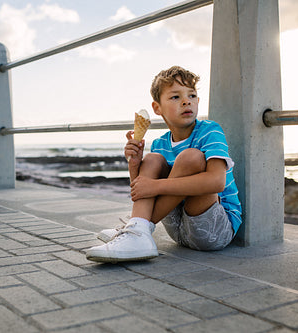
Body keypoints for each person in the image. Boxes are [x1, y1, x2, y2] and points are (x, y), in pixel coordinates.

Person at [86, 66, 242, 263]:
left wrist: (156, 185)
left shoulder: (210, 131)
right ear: (157, 108)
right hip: (176, 229)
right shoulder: (160, 143)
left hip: (212, 231)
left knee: (190, 158)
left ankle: (136, 230)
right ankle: (138, 231)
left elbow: (217, 182)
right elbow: (144, 191)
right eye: (175, 97)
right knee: (152, 159)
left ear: (198, 101)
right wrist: (134, 165)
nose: (186, 101)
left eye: (192, 95)